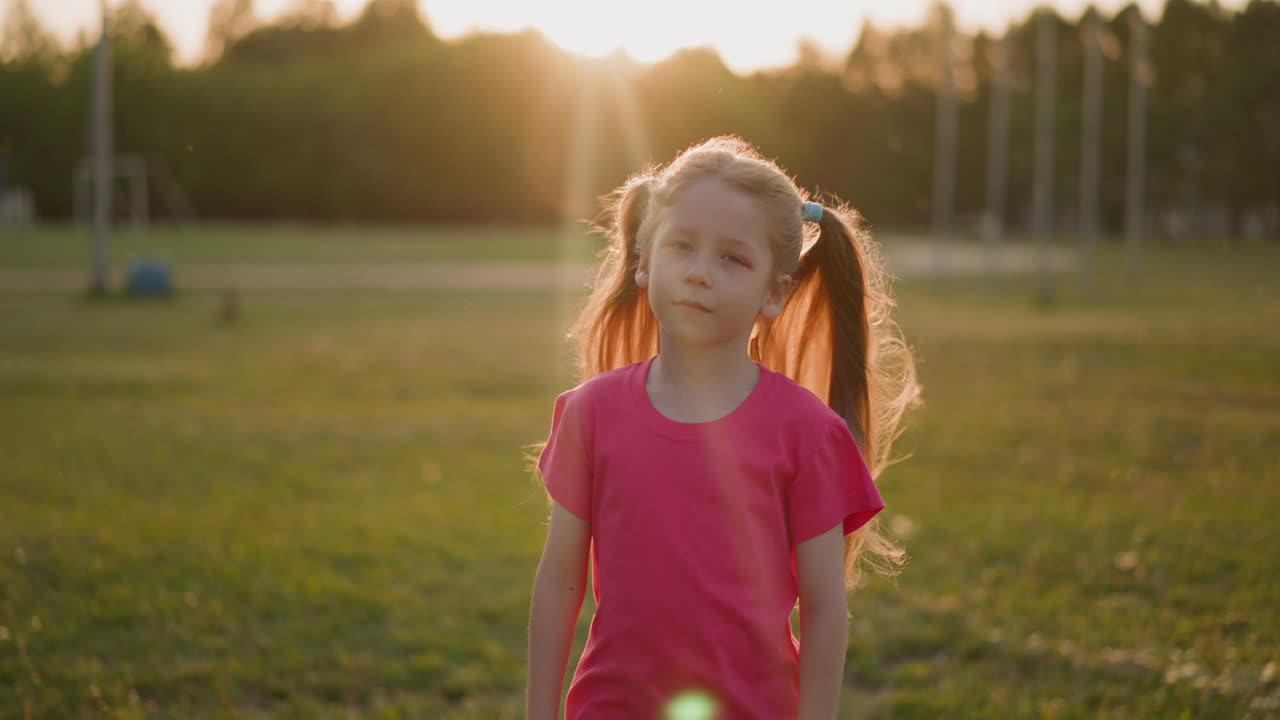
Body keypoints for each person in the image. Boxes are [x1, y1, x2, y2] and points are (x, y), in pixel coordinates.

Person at [526, 136, 921, 720]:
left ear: (775, 292)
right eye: (682, 246)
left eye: (732, 258)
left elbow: (824, 609)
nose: (699, 274)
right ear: (643, 260)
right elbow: (561, 582)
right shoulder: (590, 413)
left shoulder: (808, 432)